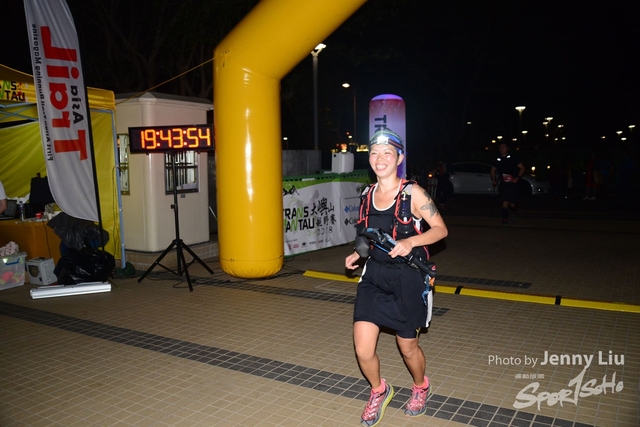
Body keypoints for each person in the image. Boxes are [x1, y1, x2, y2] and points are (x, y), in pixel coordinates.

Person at [345, 129, 448, 426]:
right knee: (363, 349)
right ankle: (379, 390)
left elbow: (441, 230)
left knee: (408, 348)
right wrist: (358, 254)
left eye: (387, 153)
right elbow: (368, 236)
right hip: (374, 277)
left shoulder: (413, 193)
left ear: (399, 158)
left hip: (408, 279)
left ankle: (421, 386)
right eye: (375, 153)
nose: (380, 159)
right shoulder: (367, 194)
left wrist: (411, 242)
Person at [490, 142, 525, 227]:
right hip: (503, 183)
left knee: (512, 203)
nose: (501, 149)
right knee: (504, 201)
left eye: (503, 147)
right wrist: (494, 180)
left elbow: (522, 168)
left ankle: (512, 212)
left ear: (507, 148)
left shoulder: (513, 157)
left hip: (512, 183)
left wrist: (517, 178)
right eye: (500, 147)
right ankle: (504, 220)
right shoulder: (498, 159)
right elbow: (492, 170)